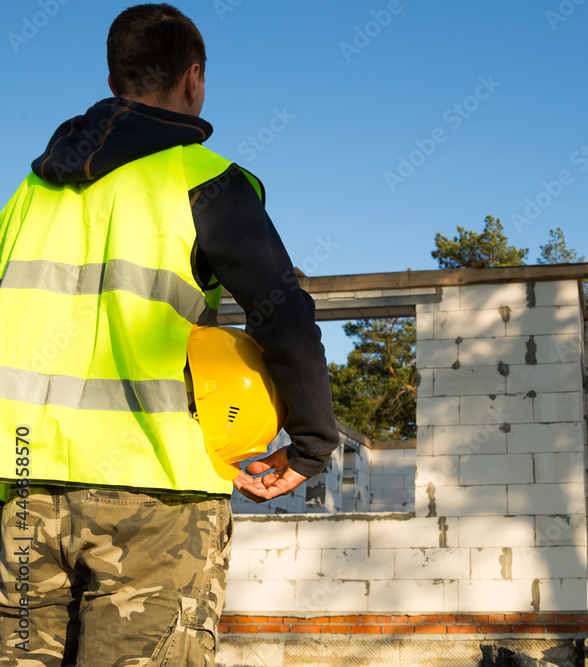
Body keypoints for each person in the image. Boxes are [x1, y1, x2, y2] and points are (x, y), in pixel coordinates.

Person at [0, 4, 339, 665]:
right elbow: (284, 313)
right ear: (193, 80)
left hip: (18, 494)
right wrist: (312, 444)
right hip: (155, 498)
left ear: (114, 78)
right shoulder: (204, 181)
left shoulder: (26, 197)